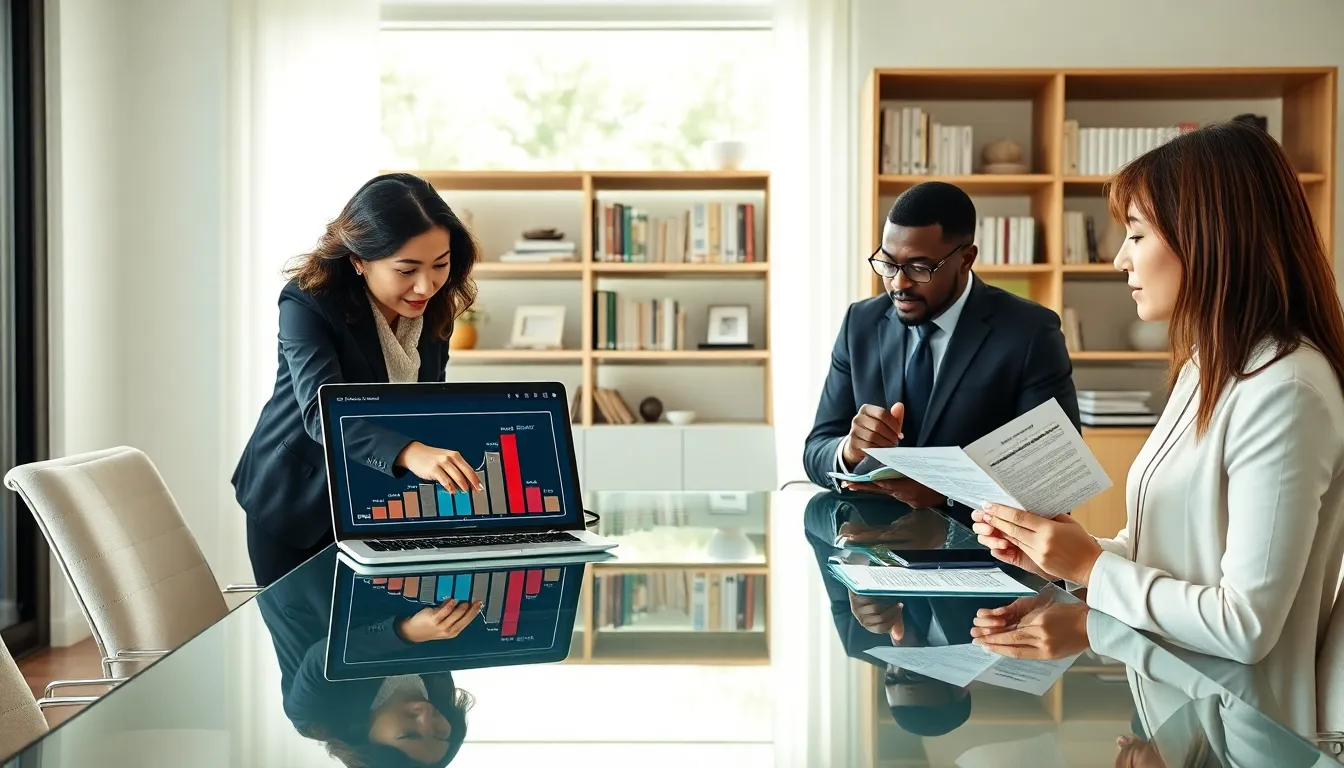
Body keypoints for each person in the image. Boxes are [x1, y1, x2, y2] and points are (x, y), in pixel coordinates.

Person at [969, 119, 1344, 737]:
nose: (1120, 258)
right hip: (1184, 711)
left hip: (1248, 732)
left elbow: (1245, 626)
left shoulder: (1287, 389)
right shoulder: (1209, 367)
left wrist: (1091, 570)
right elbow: (1176, 554)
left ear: (1210, 239)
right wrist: (1062, 558)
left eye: (1137, 234)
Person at [232, 173, 483, 585]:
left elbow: (429, 405)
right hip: (297, 500)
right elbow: (320, 413)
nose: (426, 285)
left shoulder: (434, 307)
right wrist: (410, 452)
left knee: (387, 621)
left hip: (375, 501)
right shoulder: (308, 301)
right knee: (310, 628)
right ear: (359, 261)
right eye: (407, 269)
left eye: (440, 264)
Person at [803, 181, 1080, 522]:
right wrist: (849, 450)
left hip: (981, 546)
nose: (898, 284)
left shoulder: (1030, 332)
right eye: (888, 264)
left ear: (966, 259)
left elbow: (1054, 480)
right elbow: (816, 450)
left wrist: (947, 495)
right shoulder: (860, 323)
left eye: (919, 268)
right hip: (872, 542)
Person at [256, 547, 477, 767]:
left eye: (409, 734)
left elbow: (321, 660)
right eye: (439, 733)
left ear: (369, 743)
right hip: (377, 554)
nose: (427, 717)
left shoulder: (314, 718)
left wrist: (405, 632)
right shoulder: (438, 689)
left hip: (304, 554)